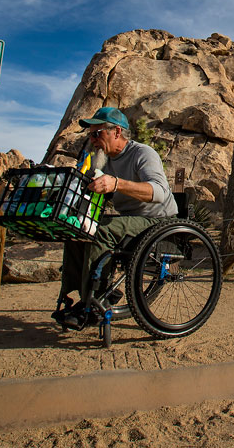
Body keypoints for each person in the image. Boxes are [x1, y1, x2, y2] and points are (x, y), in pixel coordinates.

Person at [56, 106, 178, 327]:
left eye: (97, 133)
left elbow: (159, 192)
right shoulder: (101, 161)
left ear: (117, 132)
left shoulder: (143, 153)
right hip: (130, 219)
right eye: (89, 134)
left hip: (158, 221)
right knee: (79, 228)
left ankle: (94, 304)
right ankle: (80, 294)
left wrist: (117, 183)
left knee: (102, 231)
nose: (92, 139)